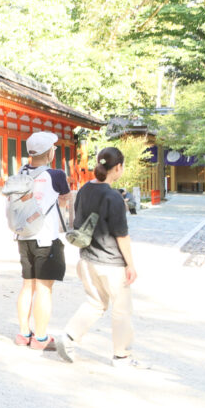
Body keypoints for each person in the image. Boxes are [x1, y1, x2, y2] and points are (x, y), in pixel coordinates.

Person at [56, 147, 142, 367]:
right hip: (110, 263)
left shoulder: (84, 190)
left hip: (87, 259)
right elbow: (121, 235)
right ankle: (121, 355)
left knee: (95, 303)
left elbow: (78, 222)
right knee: (121, 309)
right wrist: (130, 264)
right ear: (118, 167)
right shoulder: (113, 197)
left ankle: (68, 337)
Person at [12, 131, 72, 351]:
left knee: (27, 285)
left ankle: (23, 333)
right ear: (50, 152)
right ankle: (40, 338)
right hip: (46, 239)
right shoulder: (56, 175)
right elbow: (65, 199)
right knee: (44, 288)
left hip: (23, 236)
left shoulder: (19, 173)